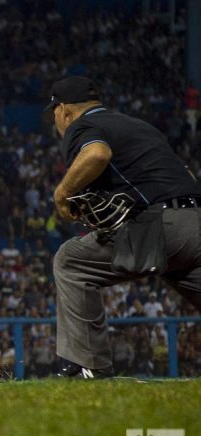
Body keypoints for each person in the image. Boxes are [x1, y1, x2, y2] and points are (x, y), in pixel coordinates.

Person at [47, 76, 201, 378]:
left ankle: (87, 366)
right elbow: (183, 173)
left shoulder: (82, 126)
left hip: (160, 226)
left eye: (53, 112)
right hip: (195, 220)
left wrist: (61, 193)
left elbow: (97, 154)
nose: (55, 119)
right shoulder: (139, 125)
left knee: (71, 262)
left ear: (64, 110)